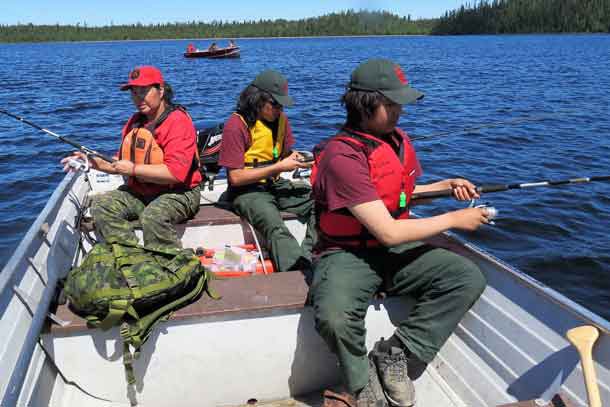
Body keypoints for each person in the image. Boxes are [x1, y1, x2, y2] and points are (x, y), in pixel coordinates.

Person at [309, 59, 489, 407]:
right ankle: (361, 384)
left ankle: (397, 354)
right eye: (390, 104)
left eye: (400, 103)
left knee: (466, 278)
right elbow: (389, 231)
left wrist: (445, 186)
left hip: (391, 248)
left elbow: (399, 192)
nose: (398, 112)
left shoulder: (395, 140)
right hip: (348, 252)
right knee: (333, 316)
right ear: (363, 104)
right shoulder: (341, 156)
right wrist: (454, 219)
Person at [61, 65, 202, 254]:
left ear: (160, 90)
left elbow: (175, 174)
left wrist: (133, 170)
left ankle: (171, 262)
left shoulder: (177, 121)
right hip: (142, 192)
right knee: (102, 205)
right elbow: (121, 163)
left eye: (144, 91)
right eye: (134, 93)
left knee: (153, 216)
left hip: (179, 193)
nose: (138, 98)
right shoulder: (135, 121)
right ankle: (131, 258)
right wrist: (90, 161)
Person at [218, 69, 315, 272]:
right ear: (258, 100)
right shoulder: (236, 125)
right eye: (275, 104)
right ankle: (296, 273)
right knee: (275, 225)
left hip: (274, 184)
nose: (279, 110)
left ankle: (309, 258)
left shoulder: (282, 121)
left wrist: (303, 159)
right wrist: (279, 167)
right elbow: (235, 177)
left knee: (324, 201)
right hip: (246, 192)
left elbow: (285, 153)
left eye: (282, 105)